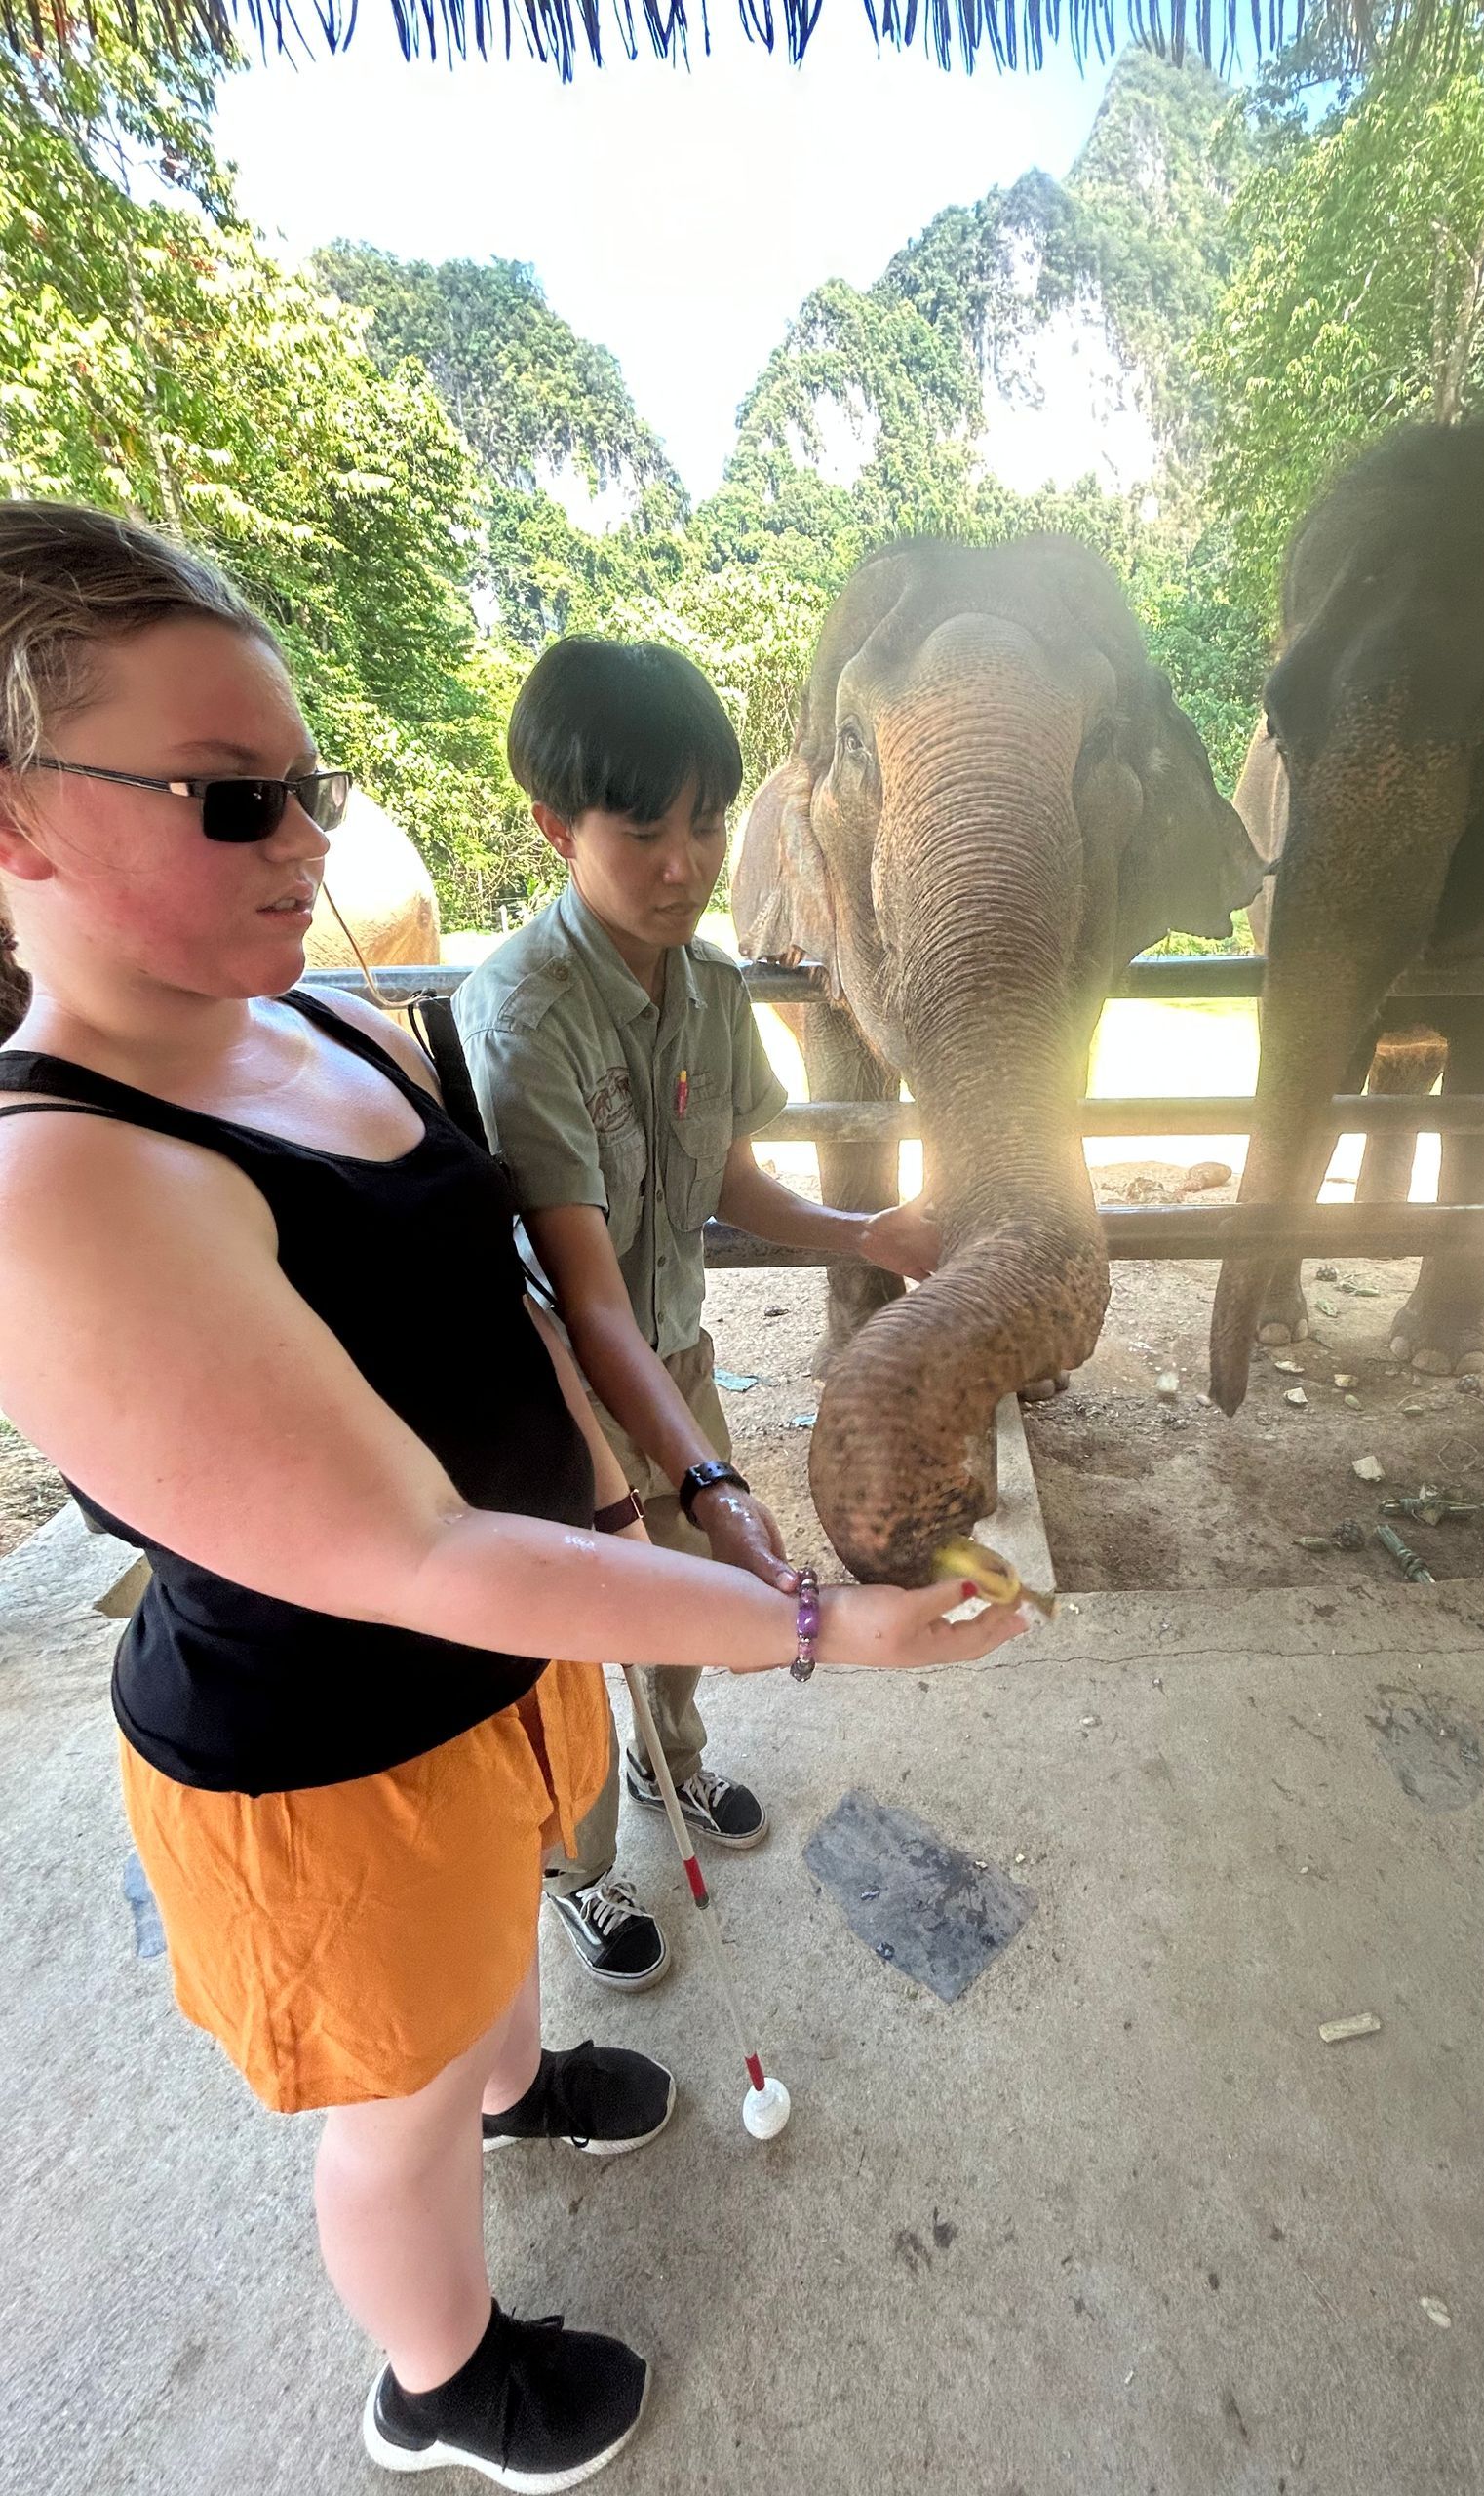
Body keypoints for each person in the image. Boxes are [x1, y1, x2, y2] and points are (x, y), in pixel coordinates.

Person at [0, 502, 1021, 2491]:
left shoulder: (304, 1011)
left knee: (492, 1972)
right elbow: (418, 1551)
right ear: (15, 819)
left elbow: (529, 1285)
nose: (303, 839)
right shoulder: (63, 1196)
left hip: (510, 1654)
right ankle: (442, 2377)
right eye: (229, 798)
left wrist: (659, 1497)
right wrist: (820, 1619)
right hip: (330, 1751)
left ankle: (519, 2077)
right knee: (385, 2100)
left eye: (308, 783)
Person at [457, 639, 940, 1989]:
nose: (687, 861)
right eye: (642, 826)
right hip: (562, 1392)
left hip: (676, 1356)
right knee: (578, 1644)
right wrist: (718, 1484)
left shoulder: (712, 986)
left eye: (708, 820)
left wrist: (866, 1233)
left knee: (683, 1614)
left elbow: (728, 1175)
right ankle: (584, 1874)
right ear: (557, 825)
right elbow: (587, 1298)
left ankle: (682, 1771)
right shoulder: (524, 1015)